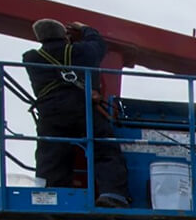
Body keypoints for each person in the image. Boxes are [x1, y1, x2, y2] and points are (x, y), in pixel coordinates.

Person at [23, 18, 130, 207]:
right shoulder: (80, 51)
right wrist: (86, 29)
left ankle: (52, 197)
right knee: (104, 149)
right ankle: (112, 194)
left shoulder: (31, 58)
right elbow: (97, 45)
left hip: (50, 113)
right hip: (81, 109)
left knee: (51, 155)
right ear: (64, 36)